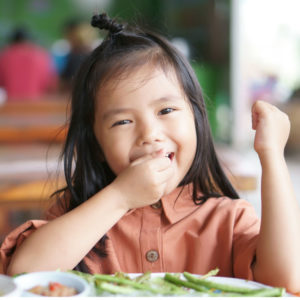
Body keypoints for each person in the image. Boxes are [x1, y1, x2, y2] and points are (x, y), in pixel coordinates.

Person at [0, 13, 299, 293]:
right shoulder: (79, 215)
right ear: (96, 145)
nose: (149, 135)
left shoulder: (226, 219)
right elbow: (25, 274)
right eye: (122, 121)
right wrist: (120, 198)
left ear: (196, 120)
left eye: (166, 110)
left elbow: (285, 280)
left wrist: (272, 156)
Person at [0, 27, 57, 101]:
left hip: (10, 105)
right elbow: (51, 84)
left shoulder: (4, 55)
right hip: (37, 105)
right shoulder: (42, 55)